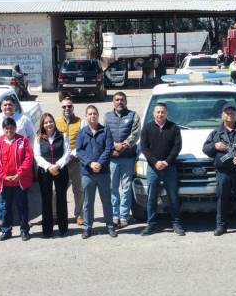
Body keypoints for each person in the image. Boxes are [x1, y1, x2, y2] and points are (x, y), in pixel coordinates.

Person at [203, 104, 236, 236]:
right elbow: (206, 149)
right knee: (222, 199)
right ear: (222, 115)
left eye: (232, 113)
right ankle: (221, 225)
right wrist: (215, 146)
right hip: (223, 173)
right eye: (227, 113)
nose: (229, 115)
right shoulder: (216, 133)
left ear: (235, 115)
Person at [0, 97, 36, 229]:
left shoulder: (23, 119)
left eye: (10, 105)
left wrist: (24, 150)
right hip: (3, 170)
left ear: (14, 106)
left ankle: (24, 227)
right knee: (4, 202)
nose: (7, 107)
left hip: (20, 168)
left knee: (21, 203)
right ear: (1, 107)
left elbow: (32, 137)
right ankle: (4, 226)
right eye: (5, 105)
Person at [139, 102, 184, 236]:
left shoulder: (174, 128)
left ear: (166, 113)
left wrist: (166, 162)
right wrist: (155, 162)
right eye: (157, 112)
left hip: (170, 168)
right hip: (153, 168)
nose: (160, 114)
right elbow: (144, 148)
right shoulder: (147, 128)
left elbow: (177, 147)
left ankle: (176, 223)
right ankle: (151, 224)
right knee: (152, 197)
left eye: (162, 112)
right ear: (154, 114)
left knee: (173, 197)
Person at [0, 117, 35, 241]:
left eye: (11, 128)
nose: (9, 130)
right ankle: (6, 230)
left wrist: (19, 174)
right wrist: (4, 176)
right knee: (5, 208)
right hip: (4, 183)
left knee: (22, 206)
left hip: (20, 181)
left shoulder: (23, 141)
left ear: (15, 128)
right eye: (6, 128)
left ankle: (24, 230)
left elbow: (28, 159)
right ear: (3, 129)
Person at [76, 105, 116, 239]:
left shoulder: (105, 131)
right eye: (90, 114)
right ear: (86, 116)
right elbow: (79, 151)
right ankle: (88, 227)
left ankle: (110, 225)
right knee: (88, 202)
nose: (92, 116)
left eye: (95, 114)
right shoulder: (82, 132)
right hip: (88, 174)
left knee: (106, 200)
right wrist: (90, 163)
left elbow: (108, 149)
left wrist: (99, 163)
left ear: (98, 115)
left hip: (103, 172)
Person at [106, 91, 140, 228]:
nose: (119, 102)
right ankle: (115, 216)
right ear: (113, 102)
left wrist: (124, 145)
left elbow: (136, 133)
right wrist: (114, 146)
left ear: (126, 101)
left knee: (126, 188)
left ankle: (124, 216)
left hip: (128, 158)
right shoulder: (107, 117)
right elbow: (105, 135)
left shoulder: (133, 115)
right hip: (113, 159)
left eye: (122, 100)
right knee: (113, 188)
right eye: (117, 99)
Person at [34, 113, 71, 238]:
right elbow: (37, 156)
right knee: (46, 199)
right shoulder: (38, 138)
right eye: (46, 123)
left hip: (61, 170)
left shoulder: (63, 135)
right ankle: (47, 229)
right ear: (42, 125)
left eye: (50, 122)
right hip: (45, 171)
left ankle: (63, 228)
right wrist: (49, 167)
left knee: (61, 198)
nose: (48, 124)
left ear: (54, 123)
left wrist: (57, 165)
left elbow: (67, 153)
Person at [56, 95, 85, 225]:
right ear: (61, 108)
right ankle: (56, 215)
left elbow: (84, 140)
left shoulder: (80, 122)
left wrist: (76, 153)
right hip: (61, 163)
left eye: (69, 106)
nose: (67, 108)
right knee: (57, 190)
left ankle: (79, 214)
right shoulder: (55, 123)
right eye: (64, 107)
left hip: (76, 161)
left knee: (78, 189)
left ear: (73, 107)